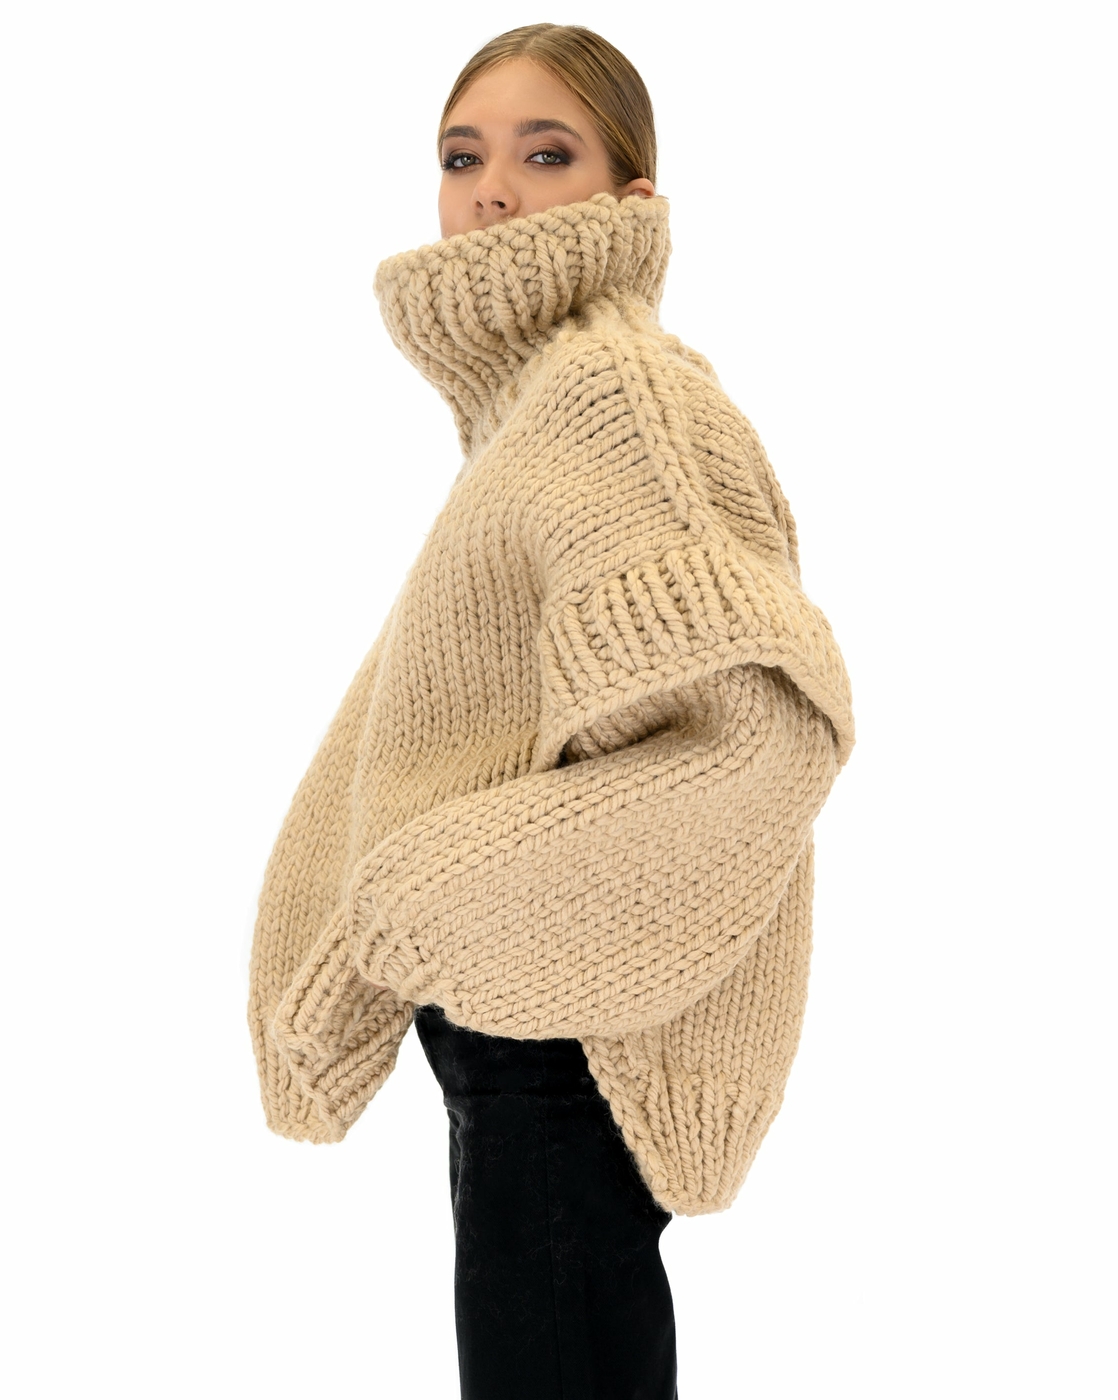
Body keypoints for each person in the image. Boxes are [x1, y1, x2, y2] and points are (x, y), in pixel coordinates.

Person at [248, 23, 855, 1400]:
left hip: (567, 1030)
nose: (491, 194)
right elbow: (420, 725)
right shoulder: (527, 416)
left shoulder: (613, 397)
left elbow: (763, 731)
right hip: (521, 1012)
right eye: (462, 157)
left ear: (630, 198)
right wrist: (344, 951)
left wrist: (432, 896)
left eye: (544, 153)